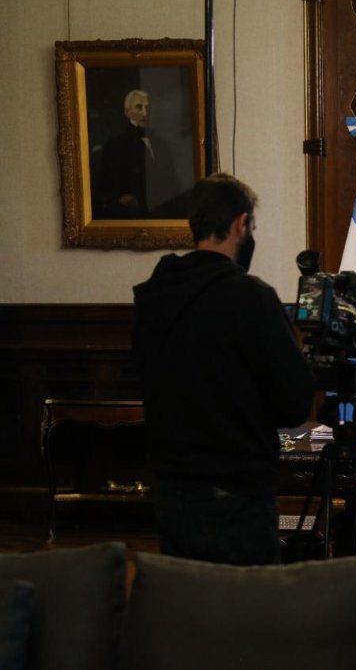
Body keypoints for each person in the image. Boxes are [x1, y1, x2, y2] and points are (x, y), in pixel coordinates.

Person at [132, 173, 316, 565]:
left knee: (187, 604)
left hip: (171, 487)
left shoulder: (154, 295)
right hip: (236, 491)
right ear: (240, 223)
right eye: (252, 226)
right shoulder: (251, 298)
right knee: (241, 612)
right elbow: (294, 402)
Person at [96, 89, 187, 219]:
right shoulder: (115, 146)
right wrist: (121, 199)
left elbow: (173, 182)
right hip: (130, 218)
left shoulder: (161, 144)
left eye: (147, 107)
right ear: (127, 112)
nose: (145, 112)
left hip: (162, 215)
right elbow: (105, 188)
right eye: (139, 107)